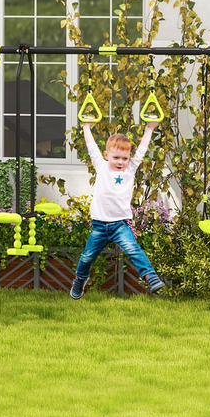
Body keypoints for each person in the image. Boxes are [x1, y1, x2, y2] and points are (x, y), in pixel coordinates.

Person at [70, 120, 165, 298]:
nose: (121, 162)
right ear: (106, 155)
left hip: (120, 225)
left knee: (133, 249)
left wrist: (149, 129)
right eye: (116, 158)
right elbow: (91, 147)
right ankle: (80, 280)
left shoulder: (130, 169)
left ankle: (150, 276)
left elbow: (142, 150)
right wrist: (86, 127)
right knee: (87, 257)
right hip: (99, 225)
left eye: (124, 158)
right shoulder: (101, 166)